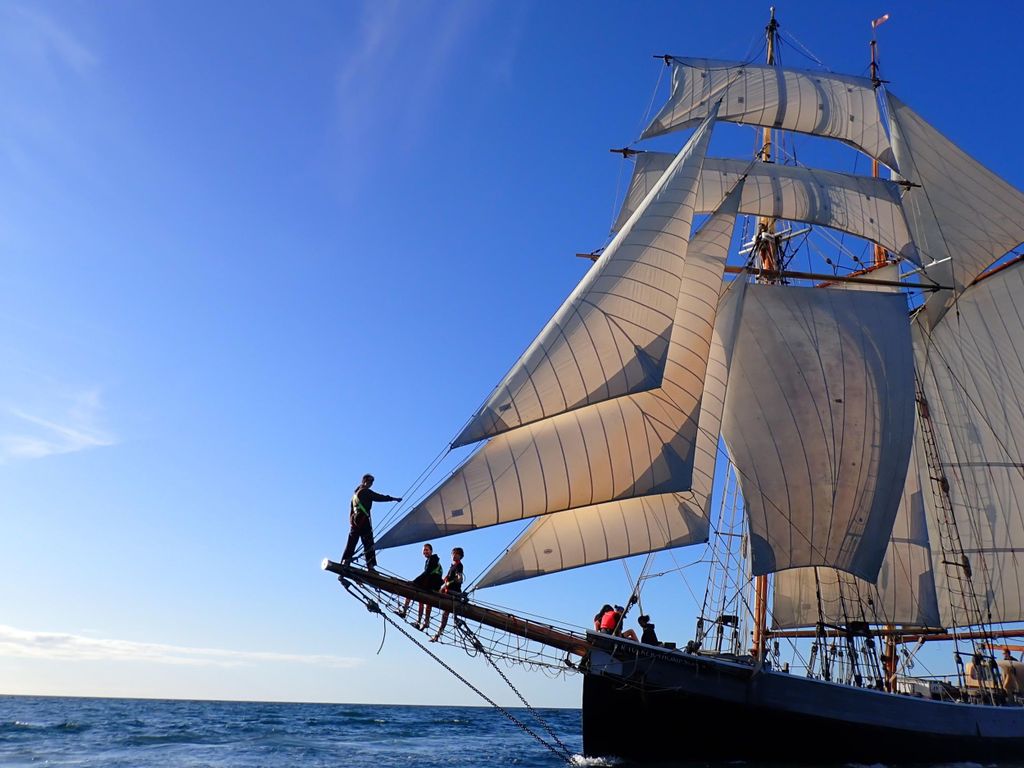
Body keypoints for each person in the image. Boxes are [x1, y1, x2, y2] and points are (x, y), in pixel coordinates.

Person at [341, 474, 401, 572]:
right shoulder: (366, 492)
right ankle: (370, 565)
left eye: (372, 483)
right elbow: (379, 497)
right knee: (368, 543)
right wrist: (393, 499)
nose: (371, 484)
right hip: (364, 521)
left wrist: (351, 522)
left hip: (355, 522)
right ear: (364, 481)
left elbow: (351, 510)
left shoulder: (354, 495)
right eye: (369, 482)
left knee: (351, 542)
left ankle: (345, 560)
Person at [398, 544, 444, 630]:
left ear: (431, 551)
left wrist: (414, 582)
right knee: (420, 601)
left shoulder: (433, 559)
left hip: (432, 583)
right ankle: (419, 621)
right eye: (424, 550)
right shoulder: (429, 560)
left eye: (427, 550)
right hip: (430, 583)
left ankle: (405, 612)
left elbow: (427, 572)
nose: (425, 552)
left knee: (410, 589)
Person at [430, 547, 464, 642]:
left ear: (460, 556)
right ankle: (437, 633)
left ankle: (437, 634)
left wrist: (451, 581)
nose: (453, 555)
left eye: (456, 554)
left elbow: (460, 578)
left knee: (445, 614)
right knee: (444, 614)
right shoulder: (452, 566)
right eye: (453, 553)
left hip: (453, 592)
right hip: (447, 590)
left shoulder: (459, 566)